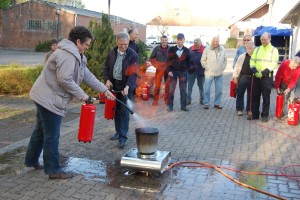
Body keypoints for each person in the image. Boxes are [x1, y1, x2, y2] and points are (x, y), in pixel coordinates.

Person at [24, 26, 115, 179]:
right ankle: (53, 170)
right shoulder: (67, 55)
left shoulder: (76, 55)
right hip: (49, 99)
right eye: (86, 44)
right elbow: (64, 79)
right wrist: (84, 96)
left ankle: (31, 160)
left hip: (43, 96)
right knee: (52, 136)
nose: (87, 48)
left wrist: (104, 90)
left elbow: (87, 75)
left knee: (40, 131)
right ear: (78, 42)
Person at [103, 31, 138, 148]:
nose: (123, 47)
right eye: (121, 44)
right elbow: (106, 67)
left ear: (128, 43)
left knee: (124, 112)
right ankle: (118, 132)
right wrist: (107, 79)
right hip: (114, 86)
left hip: (125, 87)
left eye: (126, 44)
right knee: (116, 110)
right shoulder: (112, 53)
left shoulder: (132, 55)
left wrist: (128, 86)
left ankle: (123, 137)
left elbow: (133, 74)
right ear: (116, 42)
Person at [249, 32, 279, 122]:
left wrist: (263, 72)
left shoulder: (274, 50)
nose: (263, 41)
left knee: (266, 97)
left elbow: (274, 63)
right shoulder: (257, 49)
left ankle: (265, 115)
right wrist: (255, 71)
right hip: (256, 76)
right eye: (262, 39)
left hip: (266, 77)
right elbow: (252, 61)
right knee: (255, 96)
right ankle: (255, 114)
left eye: (265, 39)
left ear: (270, 39)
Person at [201, 36, 227, 109]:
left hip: (219, 73)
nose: (215, 43)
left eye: (217, 41)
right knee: (207, 89)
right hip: (209, 73)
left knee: (219, 90)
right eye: (214, 41)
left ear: (219, 42)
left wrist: (222, 68)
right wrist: (207, 67)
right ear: (212, 41)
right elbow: (203, 60)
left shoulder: (222, 49)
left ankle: (217, 103)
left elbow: (225, 60)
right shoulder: (207, 49)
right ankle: (206, 103)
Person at [166, 33, 190, 112]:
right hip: (173, 71)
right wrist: (169, 71)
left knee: (183, 89)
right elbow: (168, 61)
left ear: (184, 40)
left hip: (182, 72)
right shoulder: (172, 49)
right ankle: (170, 106)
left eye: (181, 40)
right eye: (178, 39)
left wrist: (186, 69)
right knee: (171, 89)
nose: (179, 41)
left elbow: (189, 62)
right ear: (176, 40)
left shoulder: (186, 50)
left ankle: (183, 106)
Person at [232, 41, 255, 116]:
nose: (249, 48)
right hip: (243, 77)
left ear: (254, 47)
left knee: (251, 95)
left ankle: (249, 109)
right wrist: (235, 77)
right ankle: (239, 109)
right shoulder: (241, 56)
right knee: (240, 93)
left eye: (251, 46)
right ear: (246, 47)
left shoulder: (256, 57)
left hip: (253, 78)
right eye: (248, 46)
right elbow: (236, 67)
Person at [150, 35, 170, 106]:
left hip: (167, 69)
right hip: (159, 69)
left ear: (167, 41)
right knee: (157, 85)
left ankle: (166, 100)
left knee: (167, 85)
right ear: (161, 41)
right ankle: (155, 100)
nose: (164, 42)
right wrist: (156, 65)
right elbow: (151, 58)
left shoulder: (170, 49)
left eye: (165, 40)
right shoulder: (156, 48)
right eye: (163, 40)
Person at [187, 38, 205, 105]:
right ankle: (188, 100)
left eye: (198, 44)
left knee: (201, 87)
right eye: (195, 44)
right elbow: (186, 59)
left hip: (201, 71)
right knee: (189, 86)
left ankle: (202, 99)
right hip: (191, 71)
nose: (197, 46)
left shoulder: (204, 49)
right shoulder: (190, 49)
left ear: (201, 43)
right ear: (194, 44)